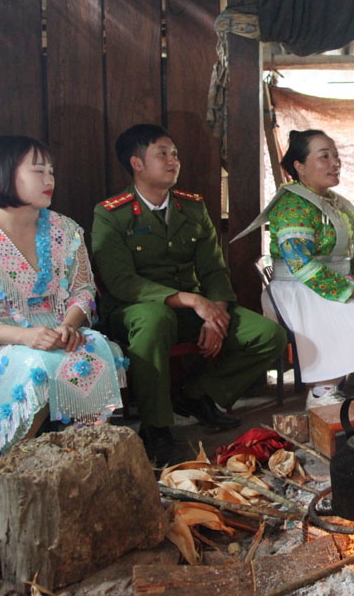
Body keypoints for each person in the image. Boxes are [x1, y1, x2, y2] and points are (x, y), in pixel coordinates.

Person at [92, 124, 286, 465]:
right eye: (162, 154)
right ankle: (156, 427)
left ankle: (197, 395)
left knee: (270, 335)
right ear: (137, 163)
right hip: (136, 310)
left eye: (175, 154)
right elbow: (121, 281)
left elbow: (213, 268)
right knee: (153, 321)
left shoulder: (191, 208)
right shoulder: (111, 213)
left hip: (194, 308)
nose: (173, 161)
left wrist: (216, 315)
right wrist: (194, 301)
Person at [0, 136, 127, 456]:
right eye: (38, 171)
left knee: (95, 347)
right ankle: (18, 464)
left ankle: (89, 457)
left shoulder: (67, 229)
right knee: (38, 365)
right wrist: (26, 336)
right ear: (5, 174)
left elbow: (82, 291)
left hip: (57, 332)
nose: (49, 180)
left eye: (52, 172)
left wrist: (69, 326)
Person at [260, 129, 354, 409]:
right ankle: (322, 389)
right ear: (299, 167)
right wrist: (349, 290)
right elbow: (300, 264)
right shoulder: (291, 204)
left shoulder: (335, 203)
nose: (335, 162)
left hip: (330, 281)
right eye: (324, 156)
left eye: (336, 155)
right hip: (296, 288)